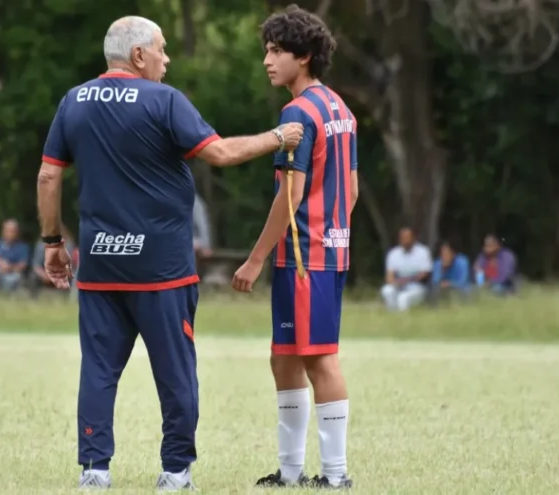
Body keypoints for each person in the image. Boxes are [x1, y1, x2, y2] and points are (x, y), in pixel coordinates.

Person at [35, 16, 304, 491]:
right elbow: (219, 153)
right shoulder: (164, 100)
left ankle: (95, 471)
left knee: (98, 370)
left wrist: (54, 243)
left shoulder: (73, 101)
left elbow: (48, 177)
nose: (167, 59)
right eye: (161, 49)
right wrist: (277, 138)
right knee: (176, 373)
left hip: (100, 265)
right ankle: (175, 472)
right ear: (138, 55)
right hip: (161, 270)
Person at [230, 6, 354, 489]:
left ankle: (336, 476)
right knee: (284, 355)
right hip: (324, 249)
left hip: (305, 257)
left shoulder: (297, 113)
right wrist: (335, 230)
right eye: (266, 50)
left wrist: (255, 259)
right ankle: (289, 472)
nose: (267, 60)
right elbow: (353, 188)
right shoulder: (341, 108)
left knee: (319, 358)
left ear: (303, 57)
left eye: (277, 51)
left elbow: (291, 195)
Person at [380, 227, 433, 311]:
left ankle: (403, 320)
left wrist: (406, 281)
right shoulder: (393, 254)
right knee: (387, 290)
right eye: (403, 238)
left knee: (403, 298)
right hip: (399, 284)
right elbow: (389, 276)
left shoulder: (423, 252)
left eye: (407, 238)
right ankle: (392, 315)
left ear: (414, 239)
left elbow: (424, 274)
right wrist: (396, 282)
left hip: (417, 286)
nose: (405, 241)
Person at [429, 240, 471, 304]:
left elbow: (463, 281)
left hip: (460, 290)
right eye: (442, 254)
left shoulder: (462, 262)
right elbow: (435, 282)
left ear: (453, 253)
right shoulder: (438, 263)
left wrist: (449, 284)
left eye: (447, 254)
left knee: (468, 290)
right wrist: (443, 270)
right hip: (444, 291)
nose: (444, 257)